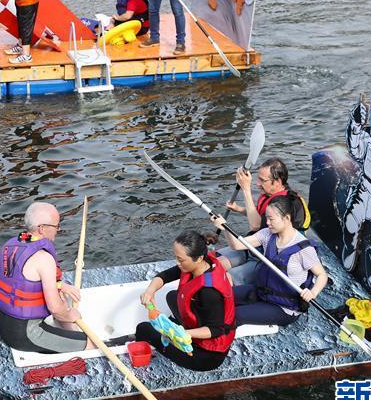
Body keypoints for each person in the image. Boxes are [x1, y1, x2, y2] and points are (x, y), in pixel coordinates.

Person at [212, 195, 328, 327]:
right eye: (266, 218)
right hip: (262, 291)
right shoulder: (267, 234)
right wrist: (224, 228)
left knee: (234, 315)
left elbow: (322, 275)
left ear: (287, 218)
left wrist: (313, 292)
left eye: (271, 219)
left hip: (284, 308)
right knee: (217, 297)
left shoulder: (303, 248)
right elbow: (237, 245)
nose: (267, 222)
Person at [0, 202, 91, 353]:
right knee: (89, 344)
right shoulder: (44, 259)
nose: (58, 230)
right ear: (42, 228)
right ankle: (76, 337)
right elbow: (55, 309)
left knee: (60, 296)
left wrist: (60, 286)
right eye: (56, 226)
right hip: (24, 334)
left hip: (1, 321)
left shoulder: (11, 244)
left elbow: (20, 282)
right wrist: (71, 315)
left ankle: (71, 333)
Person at [136, 230, 235, 371]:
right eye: (176, 258)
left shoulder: (209, 292)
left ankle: (146, 365)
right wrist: (150, 291)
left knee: (144, 329)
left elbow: (216, 330)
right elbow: (164, 276)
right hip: (199, 325)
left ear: (199, 258)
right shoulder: (200, 264)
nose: (177, 263)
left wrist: (180, 333)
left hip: (208, 355)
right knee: (172, 296)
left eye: (180, 260)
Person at [219, 158, 311, 284]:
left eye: (262, 180)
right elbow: (259, 215)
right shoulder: (270, 195)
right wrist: (238, 209)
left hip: (268, 259)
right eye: (258, 179)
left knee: (225, 280)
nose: (257, 184)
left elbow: (256, 225)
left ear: (277, 181)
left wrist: (246, 189)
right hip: (255, 247)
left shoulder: (285, 203)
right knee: (216, 263)